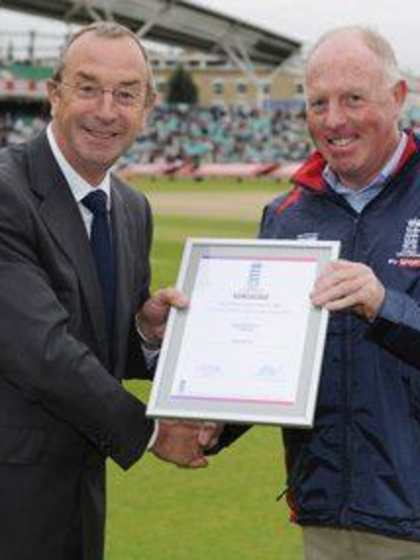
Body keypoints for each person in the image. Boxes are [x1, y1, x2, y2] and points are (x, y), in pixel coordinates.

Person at [0, 21, 211, 560]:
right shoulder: (7, 191)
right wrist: (152, 433)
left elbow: (99, 347)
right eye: (87, 87)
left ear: (148, 106)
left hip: (77, 494)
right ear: (54, 95)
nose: (106, 110)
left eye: (126, 94)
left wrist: (144, 329)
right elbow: (42, 352)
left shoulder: (131, 209)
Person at [208, 26, 420, 559]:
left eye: (353, 99)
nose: (334, 120)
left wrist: (384, 305)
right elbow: (269, 357)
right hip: (327, 515)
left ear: (397, 98)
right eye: (318, 102)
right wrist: (213, 424)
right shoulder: (285, 216)